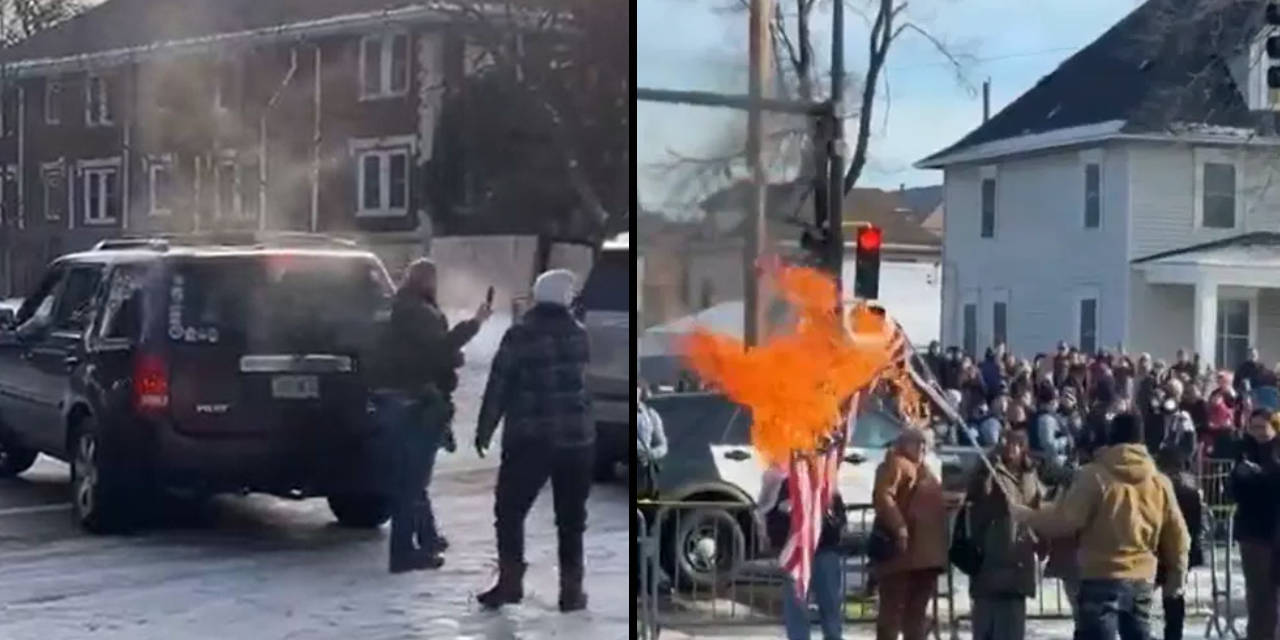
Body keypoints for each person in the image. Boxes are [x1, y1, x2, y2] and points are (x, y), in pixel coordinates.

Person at [474, 269, 593, 613]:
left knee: (509, 511)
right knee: (571, 519)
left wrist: (485, 429)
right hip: (577, 440)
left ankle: (511, 582)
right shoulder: (580, 335)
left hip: (531, 438)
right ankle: (572, 591)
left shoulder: (520, 335)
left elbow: (499, 383)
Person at [1011, 412, 1190, 640]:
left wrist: (1027, 515)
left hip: (1100, 575)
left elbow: (1066, 520)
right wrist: (1176, 577)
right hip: (1142, 576)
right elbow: (1178, 535)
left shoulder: (1093, 476)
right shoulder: (1159, 482)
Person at [369, 257, 490, 573]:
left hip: (390, 400)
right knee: (412, 482)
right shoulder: (421, 313)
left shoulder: (390, 309)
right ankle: (403, 553)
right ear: (426, 281)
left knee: (408, 476)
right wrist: (475, 324)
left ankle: (427, 536)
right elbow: (437, 351)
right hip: (417, 401)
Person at [872, 428, 957, 640]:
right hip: (904, 553)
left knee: (915, 616)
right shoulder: (896, 463)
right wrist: (899, 527)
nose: (922, 447)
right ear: (904, 443)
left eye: (925, 443)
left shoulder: (925, 470)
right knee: (893, 614)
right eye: (917, 442)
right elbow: (884, 497)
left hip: (925, 556)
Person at [964, 430, 1043, 640]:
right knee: (988, 626)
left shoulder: (1030, 474)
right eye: (1008, 443)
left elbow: (1038, 507)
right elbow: (978, 491)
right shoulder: (990, 470)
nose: (1011, 448)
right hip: (993, 556)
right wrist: (988, 466)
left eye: (1017, 444)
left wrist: (1043, 538)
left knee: (1013, 627)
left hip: (1020, 561)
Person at [760, 460, 849, 640]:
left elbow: (840, 516)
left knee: (830, 605)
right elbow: (770, 516)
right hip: (796, 555)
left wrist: (828, 523)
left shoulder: (825, 482)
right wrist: (787, 532)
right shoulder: (783, 483)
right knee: (796, 608)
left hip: (824, 551)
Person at [1229, 408, 1280, 640]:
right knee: (1259, 595)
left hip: (1275, 529)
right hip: (1253, 533)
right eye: (1253, 427)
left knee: (1273, 595)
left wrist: (1262, 476)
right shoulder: (1244, 450)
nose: (1257, 432)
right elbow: (1233, 493)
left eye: (1262, 427)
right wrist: (1240, 478)